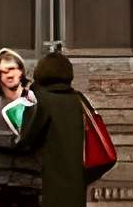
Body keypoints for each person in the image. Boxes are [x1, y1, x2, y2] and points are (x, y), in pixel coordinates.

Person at [23, 49, 93, 207]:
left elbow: (26, 136)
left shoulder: (41, 100)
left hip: (48, 182)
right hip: (76, 181)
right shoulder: (78, 99)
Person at [0, 49, 40, 204]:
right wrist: (21, 140)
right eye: (3, 71)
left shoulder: (35, 99)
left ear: (21, 71)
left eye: (12, 68)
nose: (9, 74)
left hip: (29, 179)